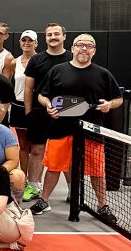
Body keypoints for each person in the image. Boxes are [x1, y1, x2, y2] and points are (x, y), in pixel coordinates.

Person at [33, 34, 122, 223]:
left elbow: (118, 98)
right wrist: (48, 105)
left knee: (97, 170)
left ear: (94, 51)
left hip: (92, 130)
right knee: (53, 167)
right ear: (72, 48)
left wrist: (109, 105)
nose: (84, 48)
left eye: (89, 46)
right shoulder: (57, 70)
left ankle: (102, 206)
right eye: (80, 45)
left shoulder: (103, 74)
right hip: (60, 127)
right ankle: (43, 200)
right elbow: (42, 95)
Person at [23, 23, 72, 202]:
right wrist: (29, 112)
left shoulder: (72, 58)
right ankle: (33, 187)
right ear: (45, 38)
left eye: (56, 34)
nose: (53, 37)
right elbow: (29, 88)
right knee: (37, 150)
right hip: (40, 111)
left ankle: (72, 190)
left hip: (66, 113)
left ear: (64, 37)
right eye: (49, 34)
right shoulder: (36, 60)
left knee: (67, 152)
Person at [10, 30, 38, 194]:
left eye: (30, 40)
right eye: (24, 40)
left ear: (36, 43)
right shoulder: (14, 62)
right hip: (18, 107)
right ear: (20, 43)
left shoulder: (41, 60)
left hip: (36, 108)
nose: (26, 43)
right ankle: (25, 180)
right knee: (23, 146)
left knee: (36, 148)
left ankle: (35, 182)